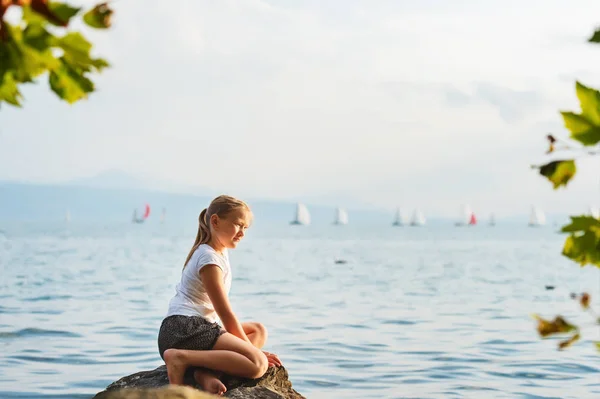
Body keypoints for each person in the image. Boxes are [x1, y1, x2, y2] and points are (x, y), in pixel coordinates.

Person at [157, 195, 282, 395]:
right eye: (238, 225)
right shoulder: (209, 259)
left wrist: (248, 348)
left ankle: (204, 373)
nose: (242, 233)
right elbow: (224, 313)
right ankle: (181, 358)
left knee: (258, 330)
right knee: (258, 364)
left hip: (196, 328)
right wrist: (255, 353)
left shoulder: (218, 252)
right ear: (215, 221)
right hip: (184, 329)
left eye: (245, 228)